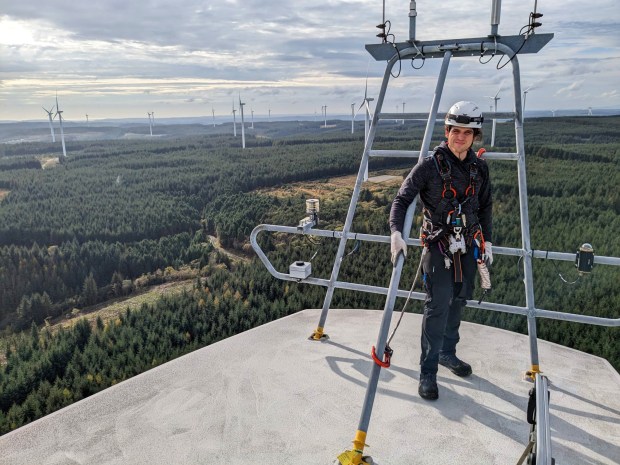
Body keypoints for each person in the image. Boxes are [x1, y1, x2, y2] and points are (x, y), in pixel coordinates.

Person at [389, 101, 493, 400]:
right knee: (437, 306)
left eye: (466, 132)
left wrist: (487, 240)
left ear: (475, 136)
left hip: (469, 245)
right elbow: (402, 199)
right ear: (447, 132)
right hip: (439, 247)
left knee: (459, 300)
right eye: (455, 131)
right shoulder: (429, 166)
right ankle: (428, 371)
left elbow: (485, 207)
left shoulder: (479, 168)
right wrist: (396, 232)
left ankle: (448, 352)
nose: (460, 137)